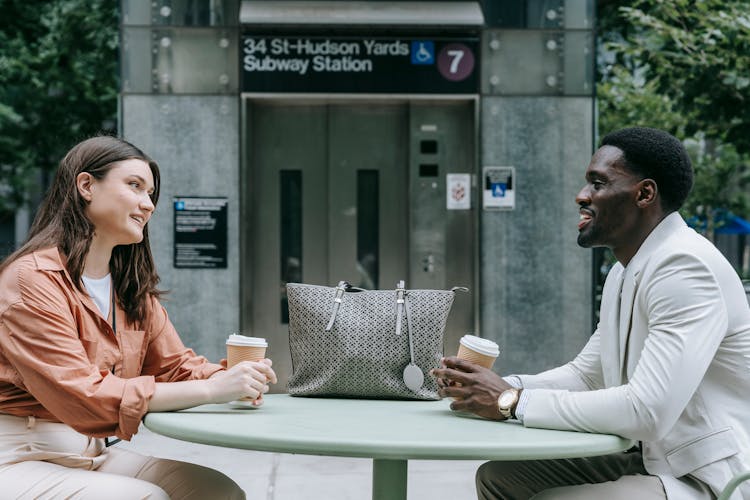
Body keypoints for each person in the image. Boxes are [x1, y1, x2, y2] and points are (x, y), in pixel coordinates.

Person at [432, 127, 750, 499]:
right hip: (651, 458)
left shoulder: (684, 267)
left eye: (598, 184)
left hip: (706, 477)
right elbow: (586, 376)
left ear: (644, 193)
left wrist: (511, 402)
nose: (582, 196)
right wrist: (494, 387)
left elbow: (647, 411)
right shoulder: (624, 271)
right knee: (501, 477)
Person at [0, 136, 277, 498]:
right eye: (134, 186)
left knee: (217, 492)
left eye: (150, 194)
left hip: (89, 451)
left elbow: (176, 367)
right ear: (86, 186)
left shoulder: (130, 289)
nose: (148, 205)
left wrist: (234, 376)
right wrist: (211, 390)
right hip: (18, 456)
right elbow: (83, 395)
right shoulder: (30, 280)